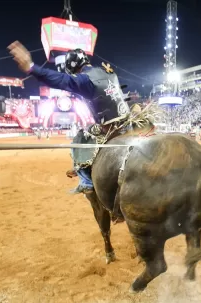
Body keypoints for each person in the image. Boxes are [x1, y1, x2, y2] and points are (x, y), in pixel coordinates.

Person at [8, 41, 130, 194]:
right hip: (129, 122)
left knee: (79, 139)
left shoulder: (84, 80)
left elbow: (60, 80)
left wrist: (32, 68)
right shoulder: (108, 72)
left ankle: (86, 180)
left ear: (72, 67)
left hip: (110, 128)